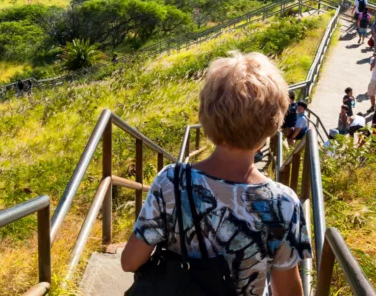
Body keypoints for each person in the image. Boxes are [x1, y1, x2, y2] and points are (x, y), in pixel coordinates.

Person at [122, 51, 311, 295]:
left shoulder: (171, 180)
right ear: (274, 123)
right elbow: (286, 289)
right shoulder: (284, 203)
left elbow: (129, 262)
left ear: (206, 115)